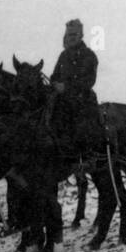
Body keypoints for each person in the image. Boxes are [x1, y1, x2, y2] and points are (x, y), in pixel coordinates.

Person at [50, 19, 100, 153]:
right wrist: (54, 83)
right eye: (68, 35)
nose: (70, 38)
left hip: (83, 100)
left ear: (80, 35)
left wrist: (66, 87)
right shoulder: (63, 55)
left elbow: (89, 81)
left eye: (73, 35)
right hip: (62, 99)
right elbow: (54, 75)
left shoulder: (89, 55)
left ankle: (82, 153)